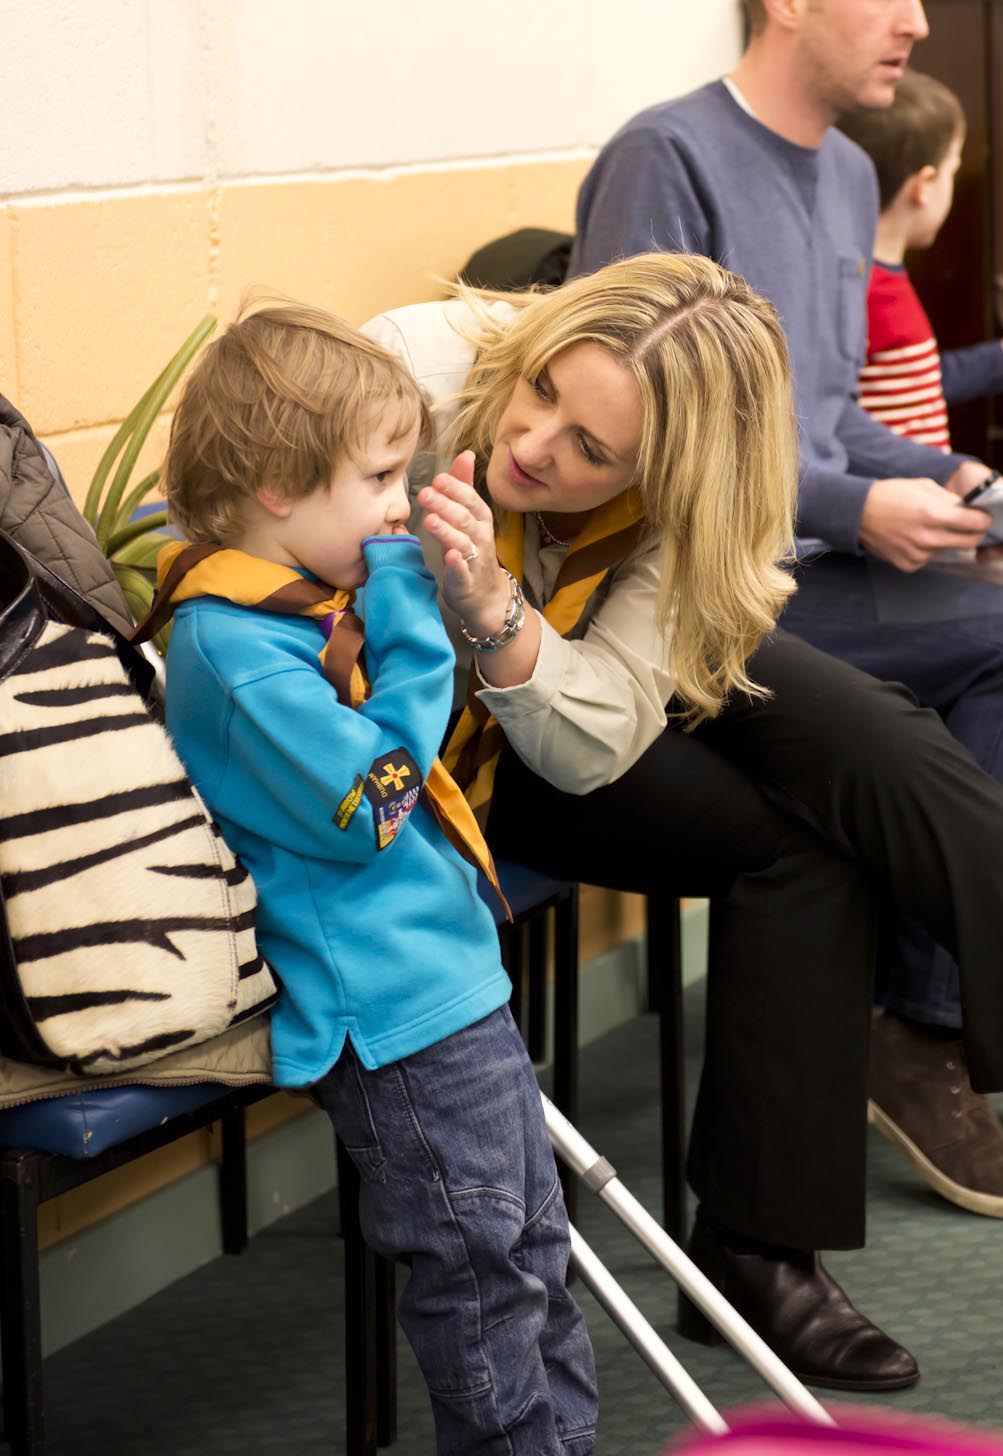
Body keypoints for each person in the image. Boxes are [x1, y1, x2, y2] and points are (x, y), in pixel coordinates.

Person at [367, 253, 1003, 1401]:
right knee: (816, 823)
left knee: (862, 749)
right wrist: (469, 601)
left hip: (560, 687)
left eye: (591, 453)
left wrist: (498, 610)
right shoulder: (417, 365)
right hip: (432, 754)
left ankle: (774, 1233)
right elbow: (245, 498)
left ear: (665, 471)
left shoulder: (685, 507)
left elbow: (601, 719)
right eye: (544, 395)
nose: (536, 445)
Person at [570, 0, 1003, 1221]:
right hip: (691, 595)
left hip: (807, 558)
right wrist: (854, 510)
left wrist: (947, 473)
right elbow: (641, 428)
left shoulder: (843, 168)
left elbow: (822, 408)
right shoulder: (663, 157)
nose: (916, 22)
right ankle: (918, 1027)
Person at [140, 304, 597, 1456]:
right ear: (279, 487)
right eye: (382, 475)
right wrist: (410, 610)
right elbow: (378, 801)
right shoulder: (235, 649)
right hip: (391, 1017)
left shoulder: (297, 610)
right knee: (481, 1273)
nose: (402, 502)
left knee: (534, 1250)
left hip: (444, 978)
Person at [836, 70, 1003, 449]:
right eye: (954, 169)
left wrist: (1000, 359)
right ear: (924, 185)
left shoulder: (878, 278)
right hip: (898, 504)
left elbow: (912, 384)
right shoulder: (860, 291)